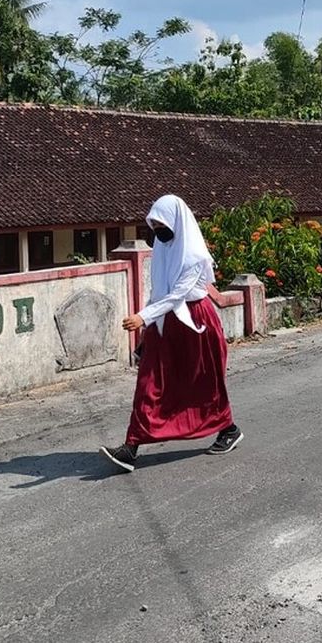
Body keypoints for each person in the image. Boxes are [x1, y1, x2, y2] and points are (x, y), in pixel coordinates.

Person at [100, 195, 243, 473]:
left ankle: (228, 428)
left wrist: (143, 317)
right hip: (164, 322)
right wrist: (147, 332)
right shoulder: (163, 248)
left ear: (177, 223)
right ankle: (131, 447)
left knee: (203, 383)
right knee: (149, 382)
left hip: (196, 322)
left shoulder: (194, 256)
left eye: (163, 226)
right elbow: (159, 293)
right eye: (154, 227)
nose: (159, 232)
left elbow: (178, 295)